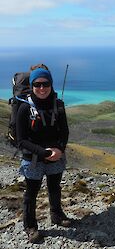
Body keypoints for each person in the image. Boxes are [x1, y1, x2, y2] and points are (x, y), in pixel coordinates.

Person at [16, 66, 71, 243]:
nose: (42, 88)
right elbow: (21, 140)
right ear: (32, 86)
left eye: (45, 83)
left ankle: (56, 214)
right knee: (32, 192)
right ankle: (30, 226)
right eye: (37, 84)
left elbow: (64, 132)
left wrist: (59, 149)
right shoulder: (24, 108)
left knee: (55, 187)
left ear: (51, 84)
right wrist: (43, 152)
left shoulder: (58, 105)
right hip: (32, 159)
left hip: (55, 155)